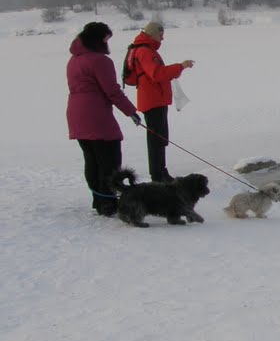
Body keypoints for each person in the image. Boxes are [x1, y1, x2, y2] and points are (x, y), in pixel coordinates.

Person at [66, 22, 143, 216]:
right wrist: (131, 111)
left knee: (92, 160)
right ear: (97, 39)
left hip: (76, 115)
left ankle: (99, 200)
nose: (108, 42)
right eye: (106, 38)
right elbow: (112, 91)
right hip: (96, 115)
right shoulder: (100, 61)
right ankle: (108, 203)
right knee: (109, 161)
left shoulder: (74, 60)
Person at [130, 21, 195, 182]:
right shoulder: (145, 51)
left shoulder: (146, 49)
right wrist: (180, 66)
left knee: (160, 138)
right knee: (156, 139)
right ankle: (158, 175)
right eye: (160, 35)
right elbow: (157, 74)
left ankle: (161, 171)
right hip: (152, 101)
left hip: (155, 99)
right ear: (152, 34)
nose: (162, 38)